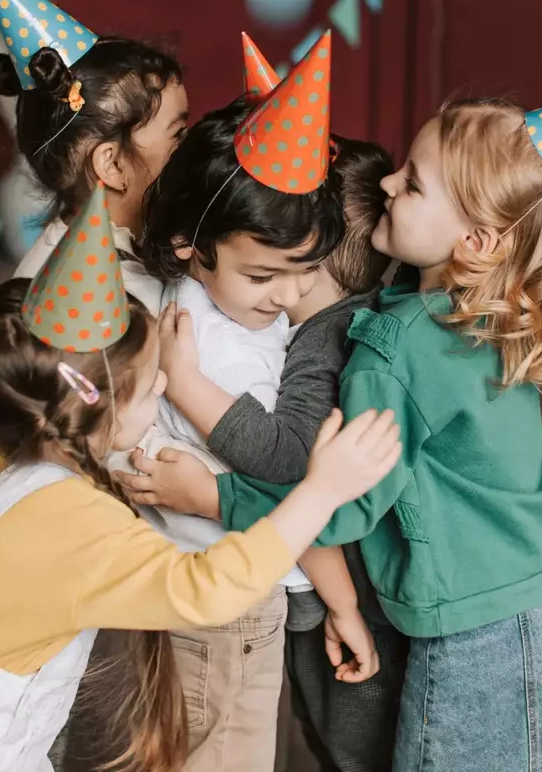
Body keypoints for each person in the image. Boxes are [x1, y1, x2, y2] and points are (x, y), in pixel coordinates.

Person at [125, 69, 542, 770]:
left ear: (478, 243)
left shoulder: (390, 354)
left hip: (471, 626)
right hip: (538, 598)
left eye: (414, 183)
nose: (389, 184)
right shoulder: (474, 311)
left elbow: (335, 507)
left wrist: (214, 495)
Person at [0, 184, 402, 772]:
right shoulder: (70, 518)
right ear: (95, 404)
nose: (164, 389)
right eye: (150, 383)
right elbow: (206, 589)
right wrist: (321, 491)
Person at [120, 79, 407, 772]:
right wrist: (341, 604)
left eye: (302, 272)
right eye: (265, 277)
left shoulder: (201, 299)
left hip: (189, 577)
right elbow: (283, 473)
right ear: (192, 243)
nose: (287, 297)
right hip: (230, 597)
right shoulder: (223, 356)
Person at [0, 0, 189, 313]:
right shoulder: (99, 300)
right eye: (178, 134)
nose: (190, 146)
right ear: (113, 165)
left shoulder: (131, 241)